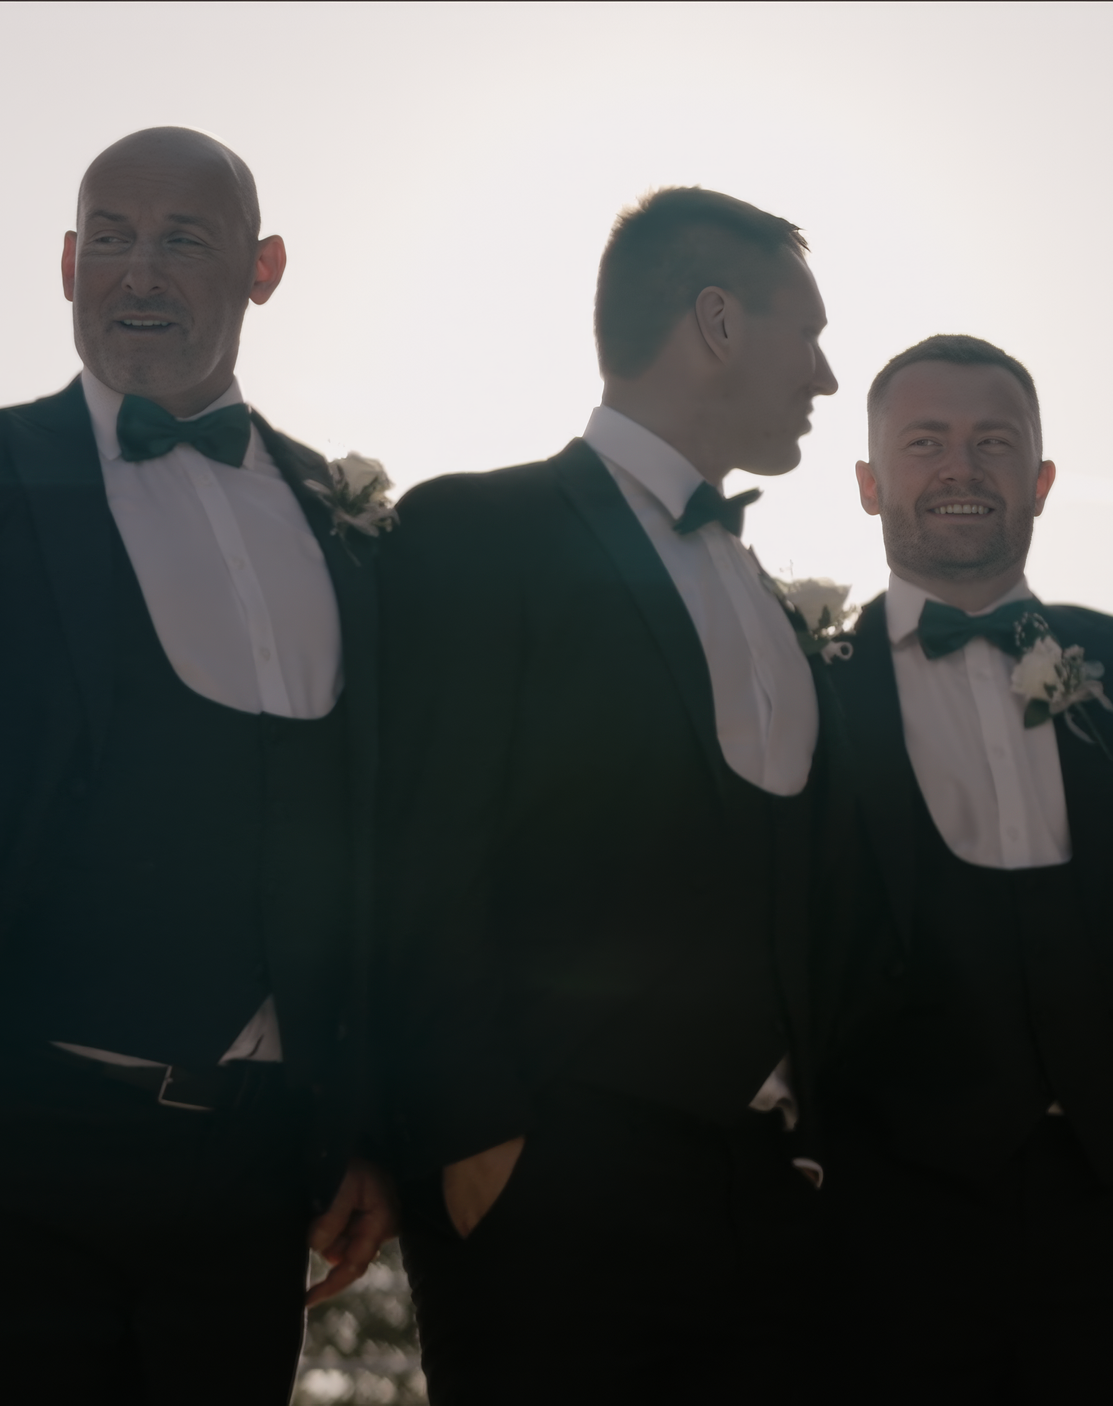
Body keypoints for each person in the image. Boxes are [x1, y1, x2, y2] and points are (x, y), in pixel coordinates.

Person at [0, 127, 395, 1403]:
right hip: (0, 1154)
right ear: (68, 260)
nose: (136, 270)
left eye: (182, 240)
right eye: (111, 237)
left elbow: (373, 844)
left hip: (254, 1177)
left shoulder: (352, 525)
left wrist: (365, 1123)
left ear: (264, 270)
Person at [379, 186, 840, 1402]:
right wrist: (481, 1149)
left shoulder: (770, 603)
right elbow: (421, 854)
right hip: (553, 1189)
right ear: (718, 323)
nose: (829, 377)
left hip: (765, 1205)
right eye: (810, 334)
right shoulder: (480, 530)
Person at [816, 334, 1113, 1402]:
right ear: (871, 483)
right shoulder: (807, 678)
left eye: (994, 441)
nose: (960, 467)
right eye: (925, 442)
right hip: (886, 1231)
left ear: (1042, 480)